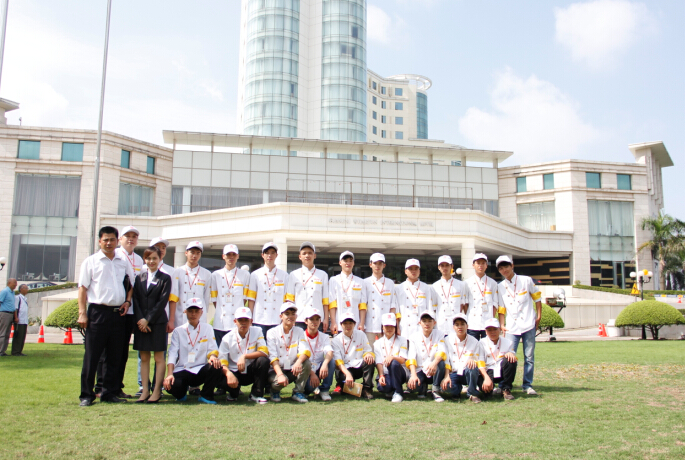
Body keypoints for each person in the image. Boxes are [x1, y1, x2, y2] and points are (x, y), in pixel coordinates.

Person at [78, 226, 135, 406]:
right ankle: (86, 395)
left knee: (114, 356)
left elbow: (131, 284)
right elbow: (83, 288)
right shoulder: (91, 261)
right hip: (98, 312)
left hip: (118, 314)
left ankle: (109, 393)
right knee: (92, 356)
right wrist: (82, 313)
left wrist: (127, 301)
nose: (109, 243)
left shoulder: (123, 261)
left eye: (112, 240)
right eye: (105, 240)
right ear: (99, 241)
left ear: (117, 241)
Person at [95, 225, 143, 399]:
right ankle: (101, 386)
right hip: (114, 310)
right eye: (127, 236)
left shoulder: (139, 259)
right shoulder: (115, 256)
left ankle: (116, 386)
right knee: (106, 352)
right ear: (120, 240)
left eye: (134, 236)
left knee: (121, 352)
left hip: (130, 311)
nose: (130, 239)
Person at [136, 236, 177, 396]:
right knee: (144, 358)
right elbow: (136, 300)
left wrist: (148, 319)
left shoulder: (165, 278)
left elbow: (162, 302)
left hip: (158, 322)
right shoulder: (139, 277)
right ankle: (145, 391)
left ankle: (156, 392)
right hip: (141, 324)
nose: (151, 261)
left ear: (160, 259)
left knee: (159, 358)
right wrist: (141, 320)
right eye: (148, 258)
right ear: (144, 259)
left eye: (154, 258)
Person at [496, 255, 542, 396]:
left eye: (506, 266)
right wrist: (502, 324)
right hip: (512, 326)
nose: (504, 270)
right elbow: (501, 308)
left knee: (529, 357)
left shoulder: (526, 280)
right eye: (501, 268)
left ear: (512, 265)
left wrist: (539, 316)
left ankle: (527, 385)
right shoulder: (500, 286)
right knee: (508, 356)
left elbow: (537, 298)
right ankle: (504, 385)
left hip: (528, 323)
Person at [164, 298, 223, 404]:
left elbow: (213, 348)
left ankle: (206, 395)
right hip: (183, 369)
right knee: (172, 386)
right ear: (185, 311)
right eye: (190, 311)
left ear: (201, 312)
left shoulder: (208, 328)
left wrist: (213, 356)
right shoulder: (178, 331)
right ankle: (181, 394)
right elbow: (172, 353)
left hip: (200, 368)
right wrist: (169, 374)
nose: (193, 314)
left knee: (216, 366)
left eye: (196, 311)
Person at [218, 306, 270, 404]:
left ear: (251, 321)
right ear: (235, 321)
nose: (243, 323)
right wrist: (229, 374)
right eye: (240, 320)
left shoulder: (257, 331)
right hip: (234, 371)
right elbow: (222, 361)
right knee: (220, 373)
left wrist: (244, 356)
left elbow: (264, 352)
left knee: (263, 361)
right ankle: (233, 393)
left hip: (250, 370)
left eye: (246, 320)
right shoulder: (227, 338)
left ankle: (256, 394)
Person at [266, 301, 312, 403]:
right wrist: (280, 375)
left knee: (306, 363)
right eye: (287, 314)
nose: (290, 316)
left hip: (292, 367)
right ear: (281, 316)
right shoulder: (272, 332)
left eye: (293, 314)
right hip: (276, 370)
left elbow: (305, 350)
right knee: (278, 382)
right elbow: (272, 357)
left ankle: (298, 392)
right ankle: (274, 391)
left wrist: (298, 362)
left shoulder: (299, 331)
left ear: (296, 316)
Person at [439, 313, 490, 404]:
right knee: (446, 387)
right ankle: (456, 391)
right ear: (453, 327)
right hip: (453, 372)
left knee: (472, 366)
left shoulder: (474, 341)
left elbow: (478, 358)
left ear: (467, 326)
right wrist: (446, 376)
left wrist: (473, 360)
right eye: (457, 325)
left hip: (467, 372)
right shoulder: (447, 340)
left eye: (462, 324)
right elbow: (446, 360)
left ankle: (472, 393)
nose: (460, 327)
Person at [210, 244, 250, 346]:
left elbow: (244, 298)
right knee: (220, 351)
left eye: (234, 254)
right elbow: (214, 299)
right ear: (223, 256)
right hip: (220, 322)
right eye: (228, 254)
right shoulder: (215, 275)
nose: (231, 257)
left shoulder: (245, 275)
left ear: (238, 256)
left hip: (237, 322)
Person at [285, 242, 331, 332]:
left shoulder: (323, 275)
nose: (307, 255)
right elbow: (290, 299)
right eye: (304, 253)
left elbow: (325, 300)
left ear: (314, 256)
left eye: (310, 253)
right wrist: (291, 318)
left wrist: (326, 318)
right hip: (299, 318)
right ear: (300, 257)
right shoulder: (293, 274)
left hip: (317, 318)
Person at [247, 242, 289, 337]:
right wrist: (250, 317)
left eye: (272, 253)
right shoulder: (255, 275)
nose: (270, 255)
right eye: (267, 253)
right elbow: (251, 299)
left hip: (277, 320)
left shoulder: (284, 275)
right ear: (263, 255)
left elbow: (286, 300)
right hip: (259, 319)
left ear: (276, 255)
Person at [332, 313, 375, 400]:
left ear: (354, 324)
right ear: (341, 325)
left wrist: (368, 354)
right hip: (345, 368)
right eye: (345, 323)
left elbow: (367, 349)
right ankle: (342, 385)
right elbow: (338, 361)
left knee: (370, 360)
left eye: (350, 323)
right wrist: (347, 374)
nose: (348, 326)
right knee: (345, 388)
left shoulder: (361, 334)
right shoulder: (336, 340)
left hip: (359, 365)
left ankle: (367, 389)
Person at [408, 311, 447, 402]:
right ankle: (423, 386)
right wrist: (413, 375)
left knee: (441, 363)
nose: (427, 324)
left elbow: (441, 351)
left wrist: (434, 363)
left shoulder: (440, 334)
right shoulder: (413, 337)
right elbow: (411, 357)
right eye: (424, 321)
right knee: (414, 386)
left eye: (430, 321)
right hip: (420, 369)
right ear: (419, 323)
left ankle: (435, 390)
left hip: (434, 369)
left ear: (434, 323)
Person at [374, 313, 414, 403]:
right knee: (382, 387)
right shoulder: (377, 343)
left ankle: (398, 392)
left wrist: (392, 357)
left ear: (395, 327)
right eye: (386, 326)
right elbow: (379, 362)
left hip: (400, 371)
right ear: (382, 327)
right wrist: (381, 375)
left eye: (392, 326)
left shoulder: (402, 340)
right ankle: (391, 389)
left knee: (394, 363)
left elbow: (402, 359)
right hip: (386, 372)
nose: (389, 329)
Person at [171, 241, 211, 329]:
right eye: (192, 252)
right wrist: (171, 319)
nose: (194, 255)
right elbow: (173, 296)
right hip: (181, 314)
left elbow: (206, 297)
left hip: (199, 315)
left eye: (198, 253)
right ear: (186, 253)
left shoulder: (206, 274)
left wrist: (203, 312)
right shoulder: (178, 272)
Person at [363, 253, 397, 348]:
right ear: (370, 265)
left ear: (384, 265)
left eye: (380, 263)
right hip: (370, 324)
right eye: (375, 263)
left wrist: (392, 324)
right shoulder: (365, 282)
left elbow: (393, 306)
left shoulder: (390, 283)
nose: (377, 266)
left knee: (386, 350)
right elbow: (363, 305)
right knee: (369, 352)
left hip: (386, 325)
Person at [395, 259, 436, 338]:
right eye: (410, 269)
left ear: (419, 271)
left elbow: (430, 309)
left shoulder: (426, 288)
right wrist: (397, 328)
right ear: (405, 271)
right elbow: (397, 311)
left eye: (416, 269)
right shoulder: (399, 288)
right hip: (405, 328)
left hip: (422, 328)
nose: (413, 271)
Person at [302, 308, 335, 401]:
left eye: (317, 319)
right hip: (306, 370)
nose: (314, 322)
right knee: (309, 387)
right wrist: (312, 374)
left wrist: (325, 364)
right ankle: (305, 391)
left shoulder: (324, 336)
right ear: (306, 321)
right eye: (311, 319)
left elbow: (329, 352)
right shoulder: (301, 336)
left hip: (319, 368)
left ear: (320, 321)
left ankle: (324, 390)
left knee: (331, 361)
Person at [329, 251, 367, 332]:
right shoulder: (334, 280)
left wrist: (362, 323)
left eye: (350, 261)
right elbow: (332, 303)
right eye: (345, 261)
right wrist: (333, 322)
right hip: (339, 323)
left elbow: (362, 305)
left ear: (353, 263)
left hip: (355, 324)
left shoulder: (360, 281)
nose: (348, 263)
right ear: (340, 263)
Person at [464, 253, 499, 340]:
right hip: (472, 322)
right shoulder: (467, 283)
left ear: (486, 265)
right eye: (478, 263)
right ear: (473, 265)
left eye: (483, 263)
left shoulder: (493, 283)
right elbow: (465, 304)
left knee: (488, 346)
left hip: (488, 322)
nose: (481, 265)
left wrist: (491, 317)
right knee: (472, 346)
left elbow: (495, 303)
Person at [480, 318, 517, 400]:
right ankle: (488, 388)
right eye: (489, 330)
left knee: (511, 360)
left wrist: (510, 353)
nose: (492, 332)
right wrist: (486, 378)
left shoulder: (508, 342)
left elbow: (513, 355)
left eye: (495, 329)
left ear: (500, 329)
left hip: (501, 370)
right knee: (487, 395)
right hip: (488, 370)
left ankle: (506, 389)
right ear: (485, 331)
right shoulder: (481, 343)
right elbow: (480, 362)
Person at [432, 255, 467, 333]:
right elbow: (433, 308)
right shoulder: (434, 286)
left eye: (447, 265)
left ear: (452, 266)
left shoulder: (461, 285)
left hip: (456, 324)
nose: (445, 268)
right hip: (440, 324)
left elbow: (462, 304)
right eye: (442, 265)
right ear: (439, 267)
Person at [0, 278, 18, 356]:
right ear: (9, 283)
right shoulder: (4, 291)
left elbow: (13, 306)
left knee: (7, 334)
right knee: (3, 333)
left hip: (10, 314)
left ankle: (3, 350)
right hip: (4, 314)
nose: (16, 285)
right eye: (14, 283)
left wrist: (15, 316)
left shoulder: (12, 293)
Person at [11, 284, 29, 356]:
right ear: (21, 289)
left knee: (22, 336)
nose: (27, 290)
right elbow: (15, 308)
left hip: (24, 320)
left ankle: (19, 351)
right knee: (18, 336)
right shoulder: (18, 298)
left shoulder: (24, 299)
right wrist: (16, 317)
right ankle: (15, 351)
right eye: (25, 288)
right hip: (19, 320)